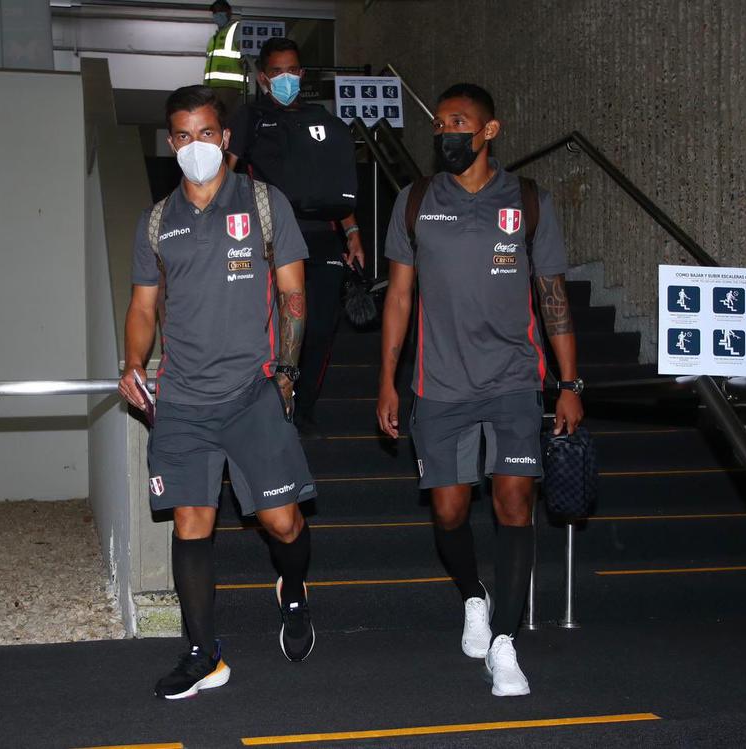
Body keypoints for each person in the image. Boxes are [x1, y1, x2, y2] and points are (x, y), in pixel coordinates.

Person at [376, 83, 584, 697]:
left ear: (489, 132)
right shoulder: (414, 201)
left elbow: (553, 300)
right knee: (448, 511)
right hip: (438, 385)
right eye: (440, 125)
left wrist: (568, 383)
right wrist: (386, 379)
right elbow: (399, 297)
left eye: (459, 123)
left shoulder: (528, 202)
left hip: (515, 380)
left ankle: (505, 642)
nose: (446, 134)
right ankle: (473, 594)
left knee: (514, 503)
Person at [119, 85, 317, 700]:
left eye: (206, 133)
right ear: (170, 142)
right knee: (190, 522)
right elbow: (144, 306)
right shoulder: (156, 222)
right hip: (182, 400)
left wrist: (285, 373)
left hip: (252, 391)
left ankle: (294, 589)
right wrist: (132, 362)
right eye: (182, 135)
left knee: (282, 524)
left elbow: (293, 297)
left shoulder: (262, 203)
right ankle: (203, 654)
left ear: (225, 138)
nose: (194, 146)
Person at [226, 37, 365, 435]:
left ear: (301, 74)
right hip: (270, 240)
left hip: (323, 237)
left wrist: (352, 231)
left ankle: (303, 407)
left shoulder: (322, 119)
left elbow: (335, 184)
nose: (285, 78)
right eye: (276, 71)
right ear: (262, 76)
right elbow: (223, 175)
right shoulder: (250, 117)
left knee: (320, 326)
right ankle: (266, 404)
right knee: (276, 327)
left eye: (292, 70)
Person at [202, 1, 244, 120]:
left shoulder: (236, 29)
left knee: (222, 118)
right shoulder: (214, 38)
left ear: (228, 12)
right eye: (214, 12)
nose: (216, 14)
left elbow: (246, 53)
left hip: (229, 86)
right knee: (213, 118)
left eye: (220, 11)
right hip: (211, 87)